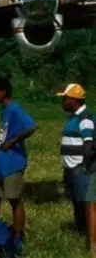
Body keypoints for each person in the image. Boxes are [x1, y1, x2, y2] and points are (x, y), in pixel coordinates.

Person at [0, 76, 38, 252]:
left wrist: (14, 140)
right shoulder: (5, 110)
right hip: (2, 164)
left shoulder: (14, 108)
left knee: (14, 200)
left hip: (13, 163)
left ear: (3, 92)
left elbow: (32, 126)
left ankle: (17, 237)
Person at [57, 83, 96, 255]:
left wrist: (85, 166)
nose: (63, 102)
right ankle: (80, 229)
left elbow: (88, 144)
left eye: (65, 99)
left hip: (80, 167)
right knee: (76, 201)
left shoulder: (85, 119)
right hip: (71, 167)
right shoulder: (73, 118)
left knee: (85, 203)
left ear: (73, 100)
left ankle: (89, 236)